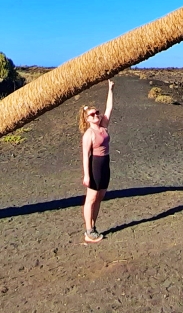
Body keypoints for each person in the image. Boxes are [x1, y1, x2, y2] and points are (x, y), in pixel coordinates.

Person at [78, 80, 114, 243]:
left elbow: (109, 108)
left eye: (96, 113)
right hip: (95, 166)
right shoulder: (89, 135)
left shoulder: (103, 126)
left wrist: (110, 89)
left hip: (105, 164)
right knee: (91, 198)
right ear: (86, 119)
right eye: (91, 115)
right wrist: (86, 175)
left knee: (100, 197)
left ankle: (93, 226)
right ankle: (88, 230)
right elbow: (85, 155)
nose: (96, 116)